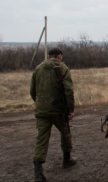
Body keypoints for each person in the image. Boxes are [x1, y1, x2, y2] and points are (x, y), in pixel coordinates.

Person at [30, 48, 77, 182]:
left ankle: (38, 171)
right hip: (58, 110)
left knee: (41, 139)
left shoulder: (38, 68)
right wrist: (70, 109)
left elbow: (32, 90)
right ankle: (67, 159)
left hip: (41, 110)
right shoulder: (62, 68)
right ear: (59, 56)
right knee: (65, 133)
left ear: (49, 56)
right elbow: (68, 90)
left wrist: (39, 103)